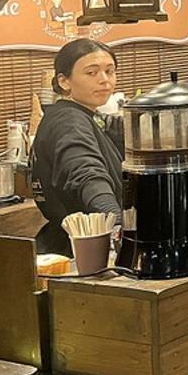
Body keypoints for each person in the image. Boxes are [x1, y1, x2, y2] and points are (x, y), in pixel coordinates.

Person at [30, 40, 125, 256]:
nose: (104, 80)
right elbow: (85, 173)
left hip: (65, 242)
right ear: (64, 81)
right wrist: (116, 222)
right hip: (81, 250)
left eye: (110, 71)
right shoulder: (69, 122)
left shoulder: (77, 115)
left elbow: (111, 126)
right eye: (91, 73)